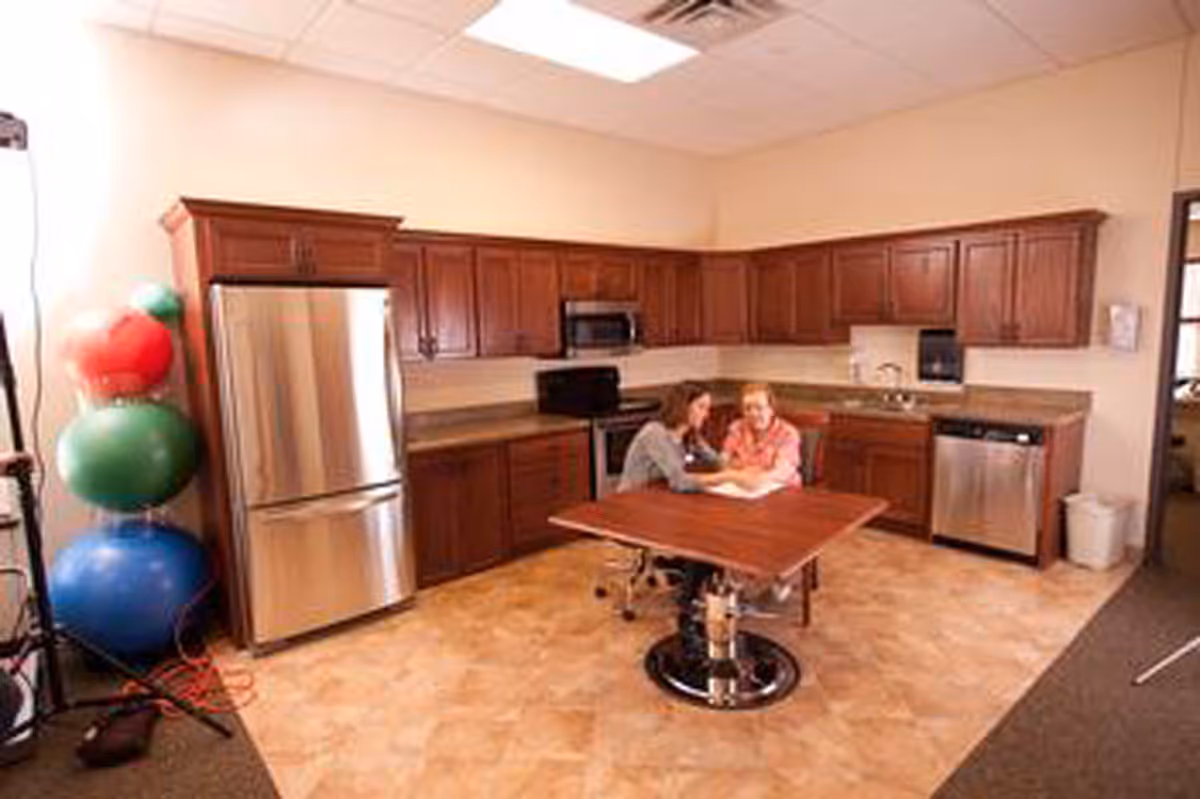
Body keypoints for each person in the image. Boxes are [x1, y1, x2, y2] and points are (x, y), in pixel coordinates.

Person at [617, 381, 745, 493]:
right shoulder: (655, 433)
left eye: (707, 408)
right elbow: (680, 481)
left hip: (659, 497)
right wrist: (728, 477)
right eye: (701, 407)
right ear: (683, 406)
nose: (706, 415)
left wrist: (746, 467)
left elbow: (715, 462)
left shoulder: (690, 435)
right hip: (632, 500)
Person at [722, 382, 802, 487]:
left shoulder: (788, 433)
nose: (753, 413)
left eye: (759, 408)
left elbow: (783, 471)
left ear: (771, 409)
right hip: (741, 487)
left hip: (780, 489)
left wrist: (753, 477)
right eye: (748, 408)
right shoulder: (737, 428)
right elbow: (724, 460)